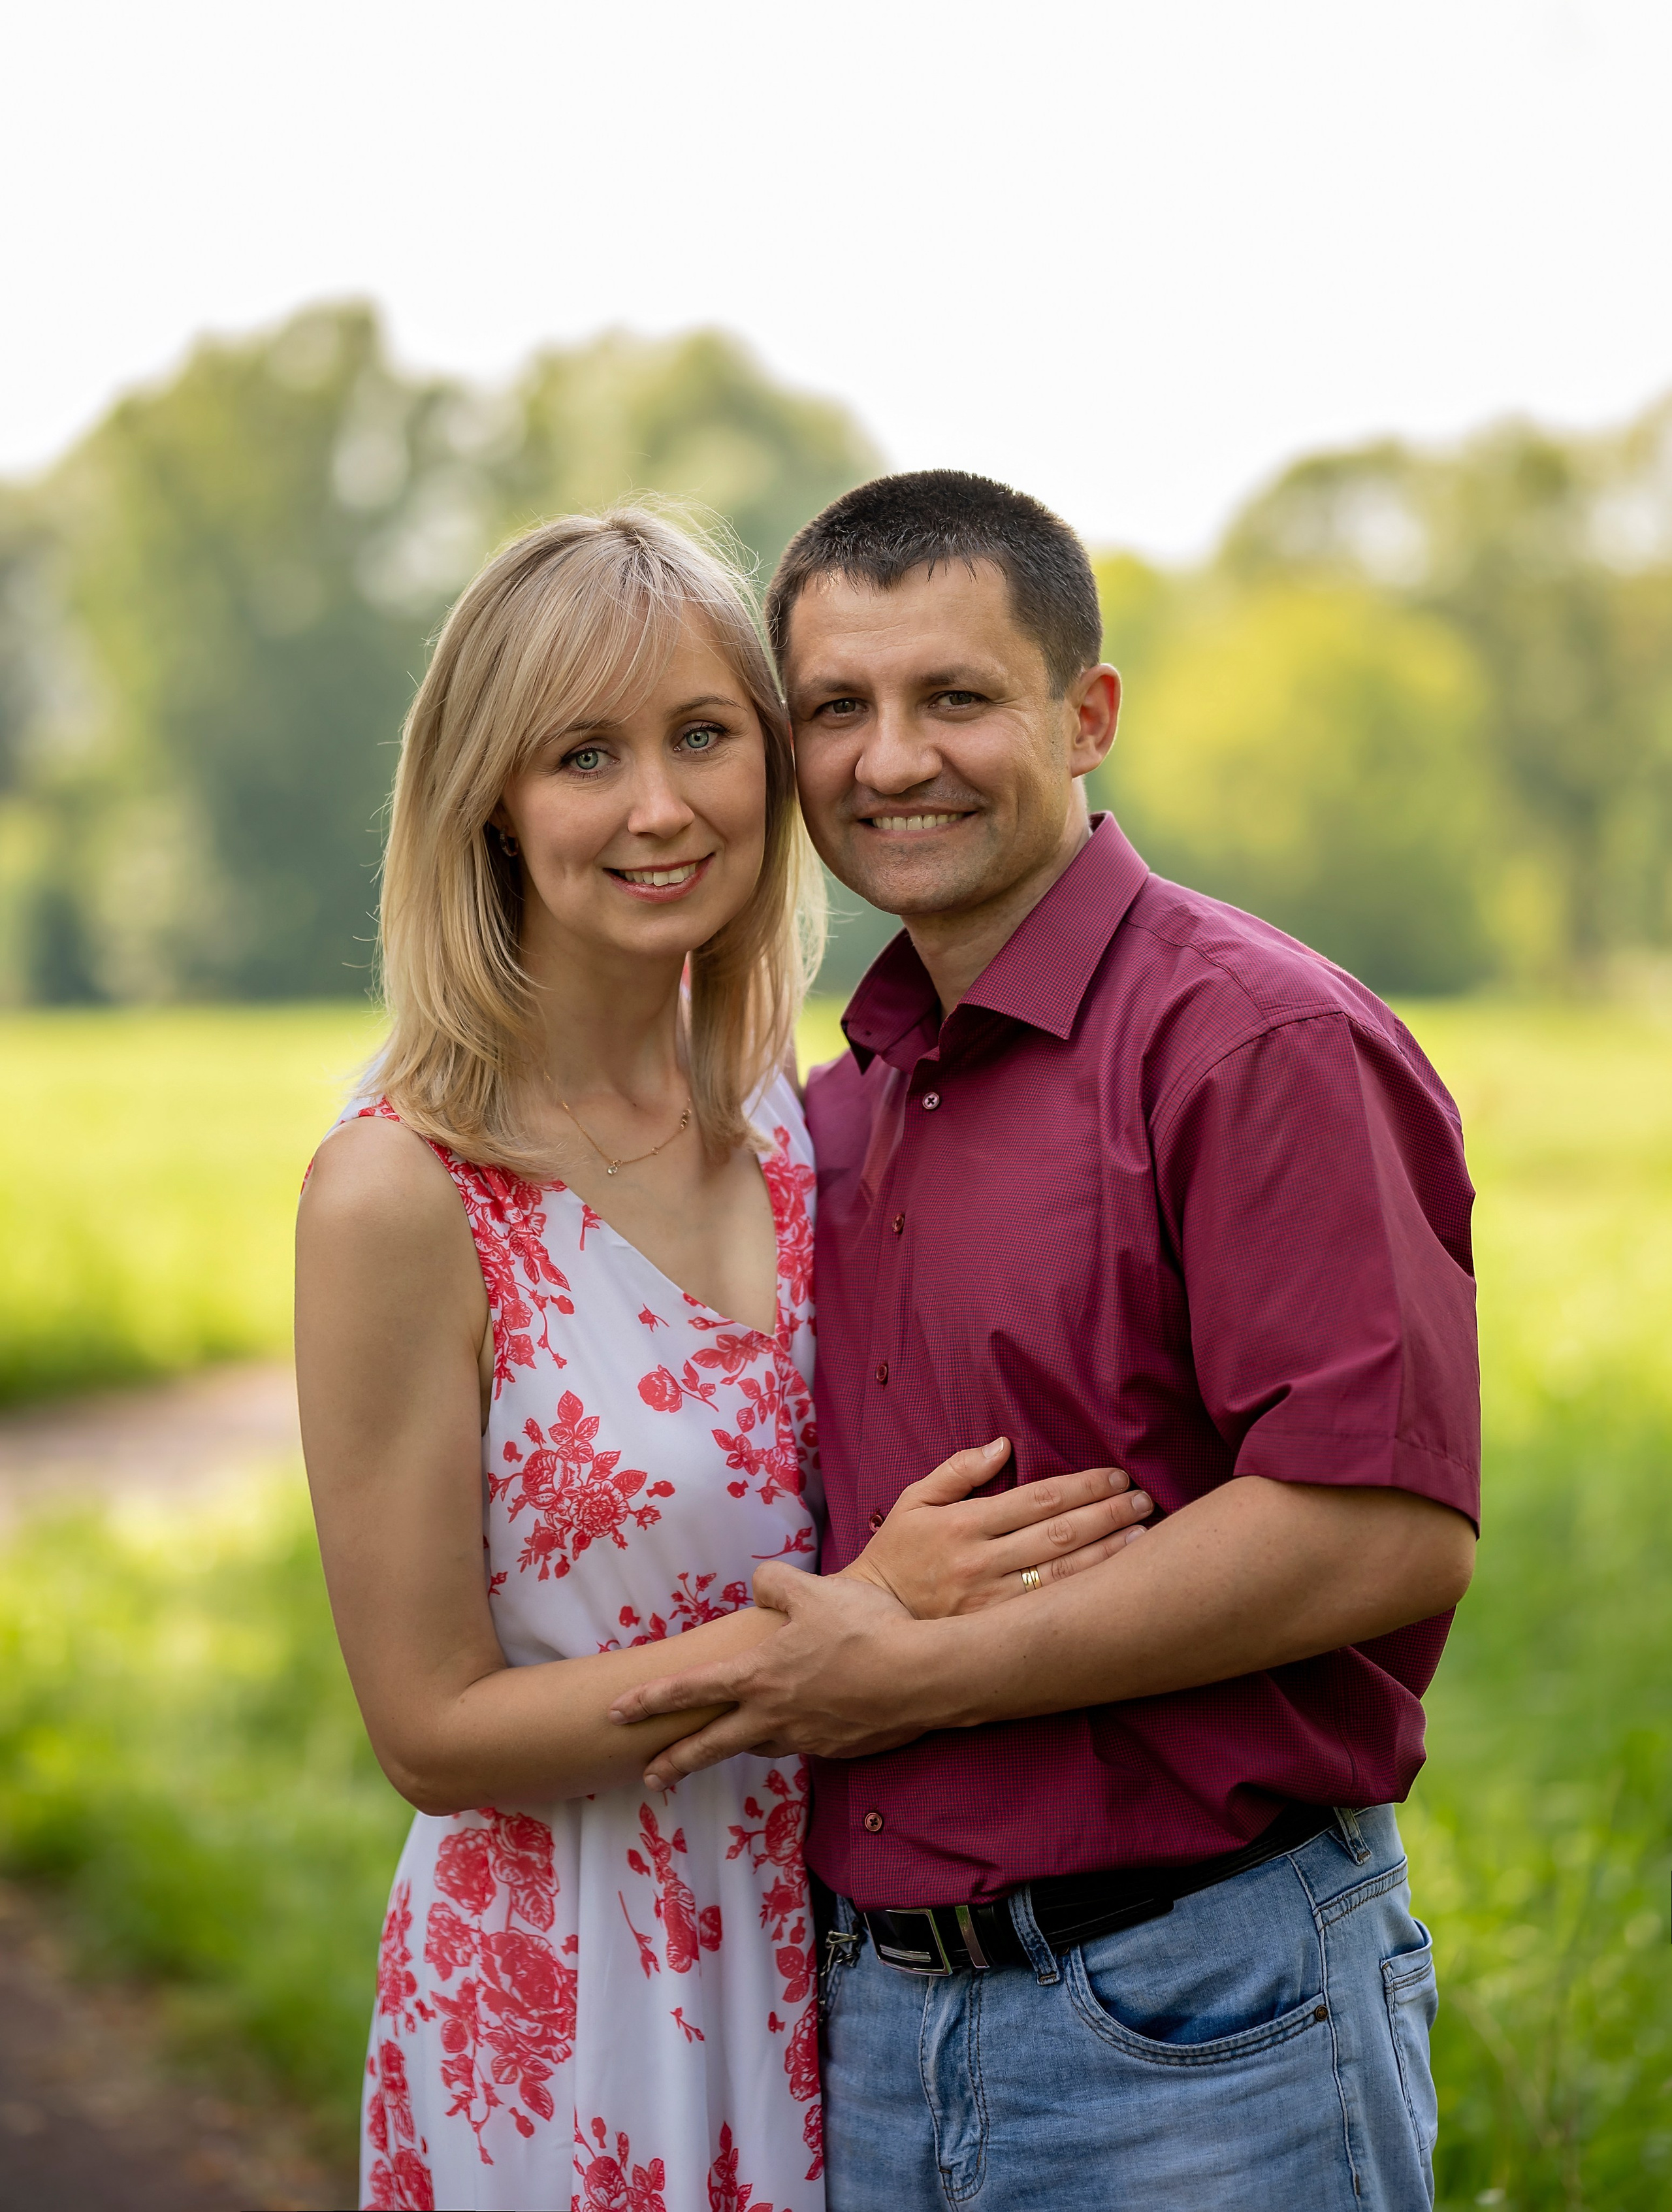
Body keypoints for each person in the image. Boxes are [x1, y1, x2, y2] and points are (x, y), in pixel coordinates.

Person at [608, 472, 1482, 2210]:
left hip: (1199, 2017)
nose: (892, 760)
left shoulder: (1252, 1042)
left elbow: (1379, 1527)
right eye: (837, 709)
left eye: (956, 696)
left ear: (1086, 716)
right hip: (864, 2030)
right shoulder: (837, 1112)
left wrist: (907, 1674)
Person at [295, 508, 1149, 2212]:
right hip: (571, 2005)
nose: (660, 807)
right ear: (490, 800)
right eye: (583, 755)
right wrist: (849, 1624)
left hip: (842, 1971)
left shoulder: (789, 1119)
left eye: (702, 735)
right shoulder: (404, 1189)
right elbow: (431, 1732)